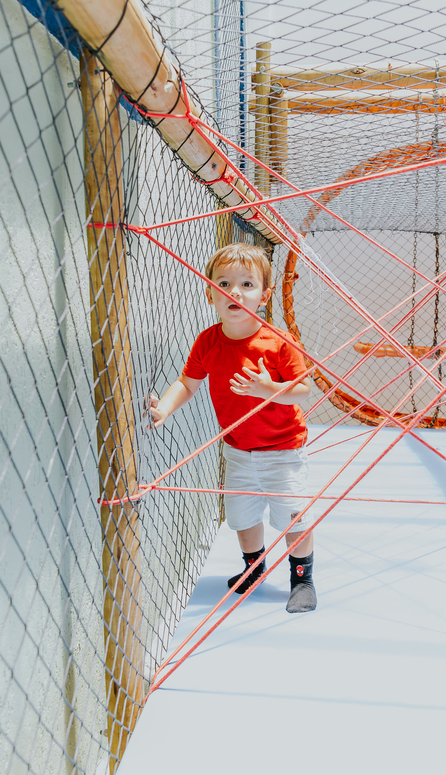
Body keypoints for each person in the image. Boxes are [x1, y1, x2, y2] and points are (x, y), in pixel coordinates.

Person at [148, 243, 317, 613]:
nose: (234, 292)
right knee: (242, 516)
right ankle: (253, 569)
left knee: (294, 517)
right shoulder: (208, 341)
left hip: (283, 449)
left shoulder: (278, 343)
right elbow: (187, 382)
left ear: (264, 296)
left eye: (246, 284)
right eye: (223, 283)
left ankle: (302, 579)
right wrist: (164, 408)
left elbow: (303, 390)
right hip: (239, 449)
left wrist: (268, 389)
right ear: (210, 293)